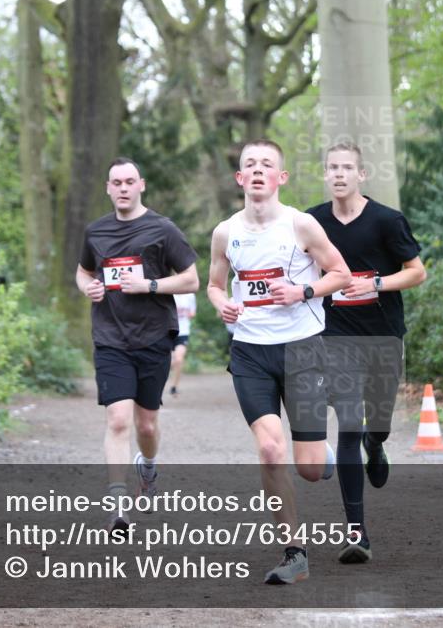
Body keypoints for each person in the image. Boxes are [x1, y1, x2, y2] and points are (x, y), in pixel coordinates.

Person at [207, 139, 352, 584]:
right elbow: (214, 284)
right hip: (250, 352)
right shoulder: (225, 232)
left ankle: (321, 454)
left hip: (302, 350)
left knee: (308, 468)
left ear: (280, 177)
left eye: (266, 164)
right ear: (239, 178)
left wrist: (303, 291)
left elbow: (342, 274)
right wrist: (221, 305)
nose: (256, 170)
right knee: (271, 450)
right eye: (248, 164)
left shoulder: (302, 225)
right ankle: (294, 553)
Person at [306, 142, 427, 564]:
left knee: (377, 421)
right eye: (332, 168)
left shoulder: (387, 221)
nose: (339, 174)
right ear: (326, 174)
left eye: (347, 168)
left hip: (384, 337)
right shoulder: (312, 221)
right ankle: (356, 532)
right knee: (348, 425)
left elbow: (417, 272)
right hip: (335, 338)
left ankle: (378, 445)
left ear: (361, 175)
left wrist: (374, 284)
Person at [76, 156, 199, 532]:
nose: (124, 188)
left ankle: (147, 465)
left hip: (152, 336)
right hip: (110, 338)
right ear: (108, 188)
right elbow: (83, 272)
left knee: (146, 425)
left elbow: (192, 279)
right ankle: (117, 506)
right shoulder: (95, 232)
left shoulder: (162, 229)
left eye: (130, 181)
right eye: (117, 183)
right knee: (117, 420)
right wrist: (89, 288)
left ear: (141, 185)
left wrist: (150, 285)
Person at [168, 293, 197, 396]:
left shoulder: (190, 296)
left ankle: (174, 387)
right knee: (168, 362)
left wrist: (188, 314)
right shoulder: (169, 293)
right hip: (168, 332)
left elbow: (193, 312)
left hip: (183, 332)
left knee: (178, 359)